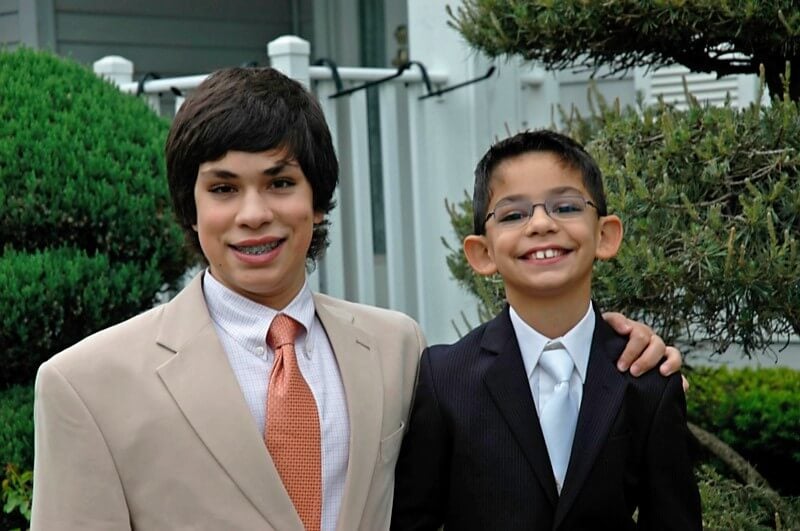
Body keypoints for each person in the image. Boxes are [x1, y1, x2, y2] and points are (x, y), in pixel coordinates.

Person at [31, 69, 681, 531]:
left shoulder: (397, 347)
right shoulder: (86, 382)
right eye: (223, 188)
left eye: (281, 182)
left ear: (316, 202)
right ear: (190, 209)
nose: (254, 214)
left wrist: (606, 345)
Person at [391, 130, 701, 530]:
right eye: (513, 215)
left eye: (566, 207)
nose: (540, 224)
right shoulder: (445, 376)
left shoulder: (647, 379)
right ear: (482, 253)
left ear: (605, 235)